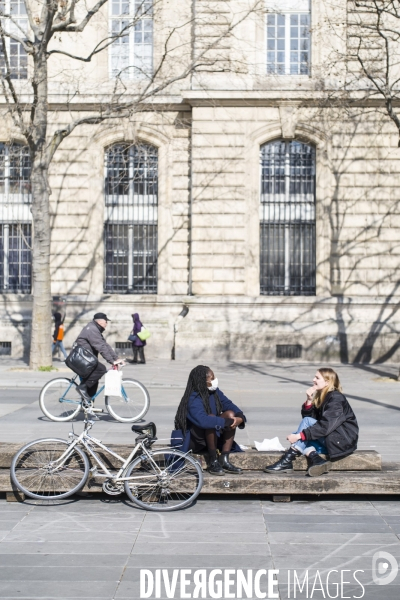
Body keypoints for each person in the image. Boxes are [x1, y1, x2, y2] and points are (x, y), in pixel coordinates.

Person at [264, 368, 359, 477]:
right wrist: (309, 401)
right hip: (332, 439)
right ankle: (317, 459)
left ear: (327, 382)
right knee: (302, 435)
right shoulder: (323, 396)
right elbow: (311, 424)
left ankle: (287, 460)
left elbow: (324, 426)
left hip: (342, 442)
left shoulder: (336, 399)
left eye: (317, 378)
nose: (313, 380)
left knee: (301, 435)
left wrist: (299, 435)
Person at [173, 365, 246, 476]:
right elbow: (203, 421)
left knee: (230, 414)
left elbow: (228, 404)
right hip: (195, 440)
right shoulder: (193, 397)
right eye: (211, 379)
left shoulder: (215, 392)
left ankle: (224, 459)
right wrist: (226, 422)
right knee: (211, 418)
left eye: (214, 377)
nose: (214, 381)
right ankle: (213, 460)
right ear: (202, 381)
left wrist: (240, 417)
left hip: (212, 436)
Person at [72, 313, 124, 403]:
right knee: (101, 369)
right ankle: (81, 388)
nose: (107, 323)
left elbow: (105, 345)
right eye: (106, 321)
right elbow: (100, 347)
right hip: (81, 359)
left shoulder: (95, 329)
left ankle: (88, 406)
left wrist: (116, 359)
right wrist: (111, 361)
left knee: (93, 382)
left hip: (85, 359)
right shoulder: (92, 329)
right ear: (100, 322)